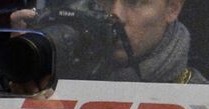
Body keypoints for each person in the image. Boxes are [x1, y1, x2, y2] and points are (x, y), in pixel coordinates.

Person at [11, 0, 205, 83]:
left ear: (172, 9)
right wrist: (21, 67)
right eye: (104, 1)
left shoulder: (201, 105)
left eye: (135, 2)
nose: (116, 15)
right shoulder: (54, 71)